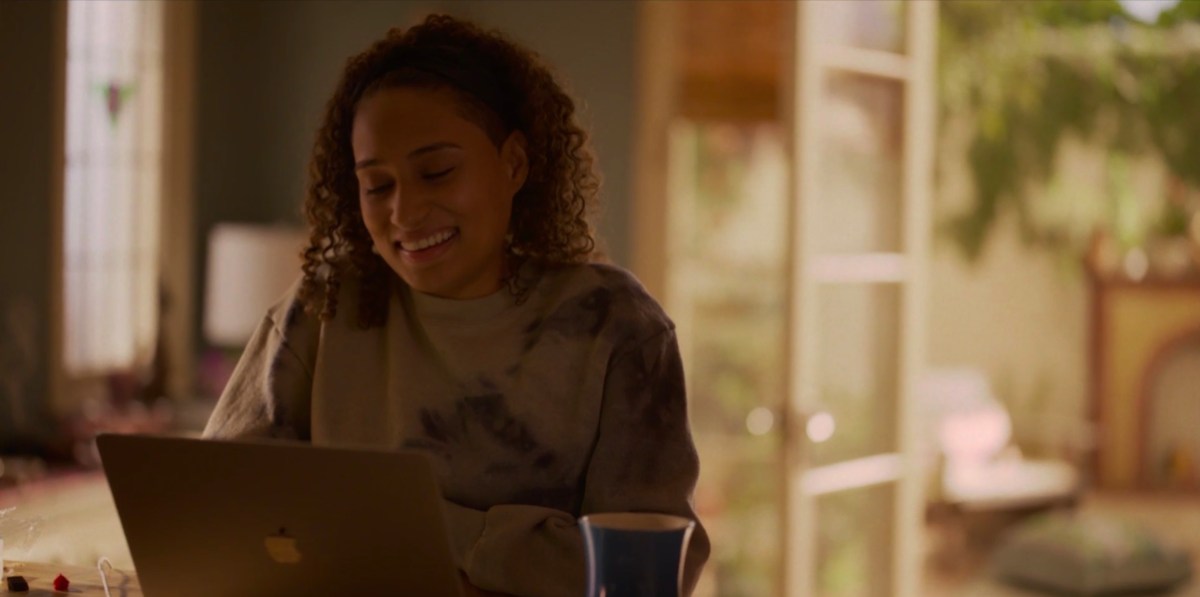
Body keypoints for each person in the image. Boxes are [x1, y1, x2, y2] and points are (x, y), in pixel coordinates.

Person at [202, 13, 709, 597]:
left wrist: (410, 527)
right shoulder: (324, 308)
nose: (405, 213)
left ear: (514, 164)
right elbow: (219, 514)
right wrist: (516, 546)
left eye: (437, 172)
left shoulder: (616, 328)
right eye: (377, 185)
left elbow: (637, 576)